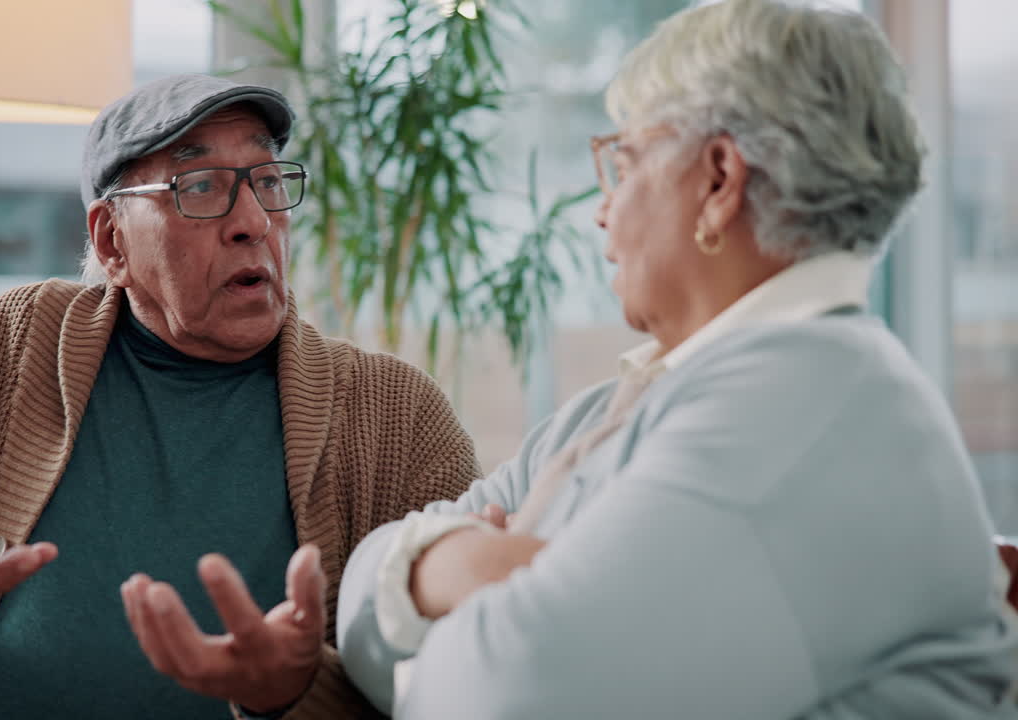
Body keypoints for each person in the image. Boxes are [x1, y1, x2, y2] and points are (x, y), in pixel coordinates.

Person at [335, 1, 1018, 717]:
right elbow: (355, 601)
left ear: (720, 179)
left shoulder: (802, 411)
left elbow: (496, 700)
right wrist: (451, 570)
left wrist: (436, 581)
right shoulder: (631, 399)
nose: (603, 209)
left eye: (623, 162)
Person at [0, 73, 479, 720]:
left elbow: (474, 682)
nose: (253, 221)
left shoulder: (396, 417)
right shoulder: (13, 347)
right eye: (199, 188)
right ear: (110, 243)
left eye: (265, 180)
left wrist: (294, 693)